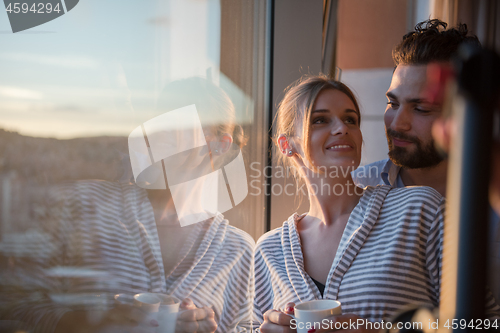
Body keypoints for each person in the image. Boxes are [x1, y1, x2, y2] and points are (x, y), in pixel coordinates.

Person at [0, 77, 254, 333]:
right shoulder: (85, 203)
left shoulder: (237, 249)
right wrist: (87, 323)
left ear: (219, 145)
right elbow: (15, 302)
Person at [254, 75, 450, 333]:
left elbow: (484, 322)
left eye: (350, 120)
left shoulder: (420, 209)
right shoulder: (269, 250)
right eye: (320, 120)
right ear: (286, 145)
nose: (342, 128)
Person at [352, 19, 480, 197]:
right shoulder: (357, 189)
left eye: (421, 109)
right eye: (393, 104)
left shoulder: (491, 202)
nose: (397, 124)